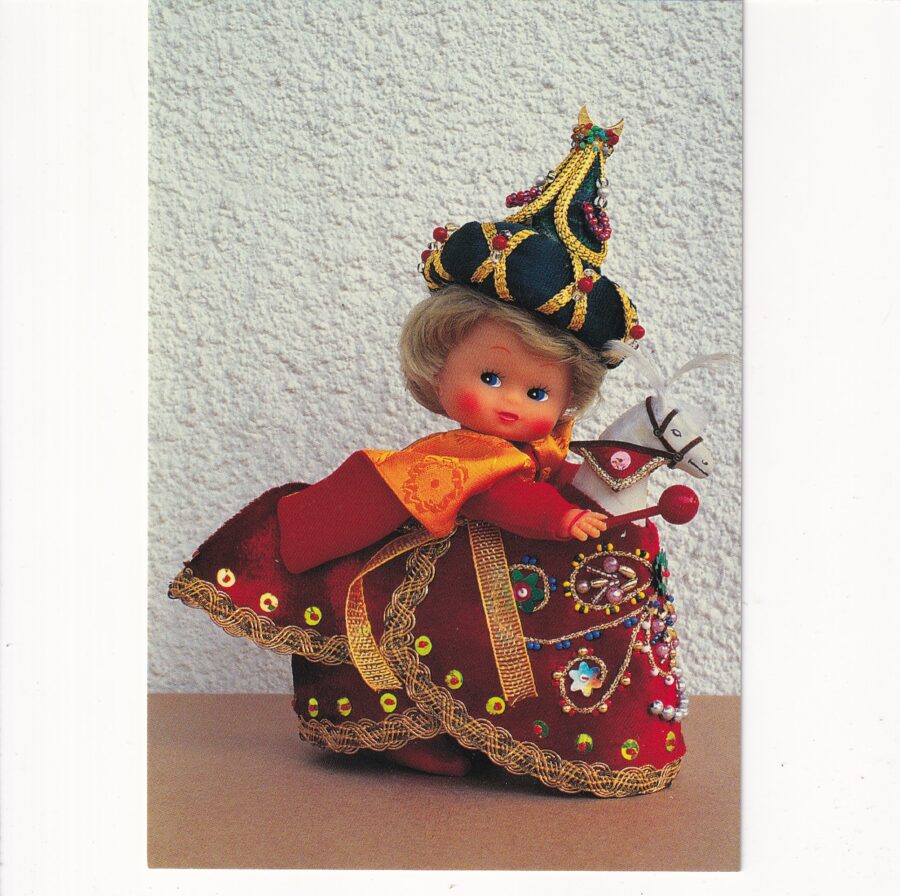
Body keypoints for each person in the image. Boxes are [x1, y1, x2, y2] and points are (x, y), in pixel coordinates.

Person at [169, 110, 687, 797]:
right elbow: (500, 495)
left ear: (568, 397)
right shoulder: (461, 457)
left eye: (537, 391)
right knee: (440, 634)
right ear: (439, 363)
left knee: (508, 635)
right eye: (491, 377)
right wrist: (560, 518)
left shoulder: (540, 448)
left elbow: (548, 475)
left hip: (500, 565)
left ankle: (501, 726)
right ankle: (413, 730)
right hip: (456, 558)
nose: (511, 404)